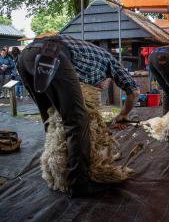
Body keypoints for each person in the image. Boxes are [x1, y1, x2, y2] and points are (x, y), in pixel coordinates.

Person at [18, 34, 140, 197]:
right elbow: (134, 91)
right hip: (51, 54)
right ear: (109, 78)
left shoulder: (87, 60)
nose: (101, 88)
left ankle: (55, 172)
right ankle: (79, 184)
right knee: (77, 121)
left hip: (25, 57)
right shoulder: (110, 62)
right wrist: (123, 114)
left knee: (51, 116)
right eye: (104, 85)